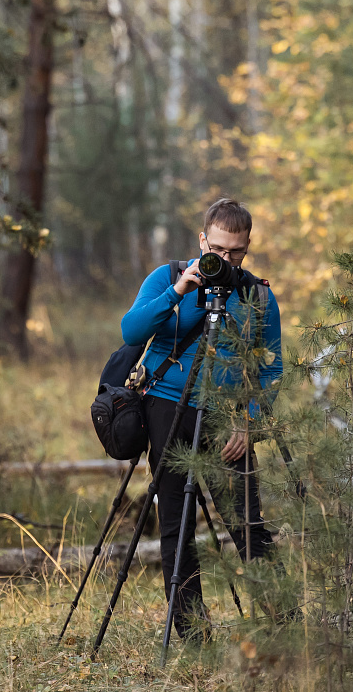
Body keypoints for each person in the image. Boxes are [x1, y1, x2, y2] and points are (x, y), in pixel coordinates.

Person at [121, 198, 283, 638]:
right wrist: (179, 293)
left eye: (236, 252)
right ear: (201, 240)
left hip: (228, 420)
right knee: (176, 523)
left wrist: (248, 422)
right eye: (218, 249)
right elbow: (131, 331)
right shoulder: (169, 277)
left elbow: (271, 369)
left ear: (247, 247)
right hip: (166, 410)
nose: (225, 260)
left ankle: (284, 624)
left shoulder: (257, 294)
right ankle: (193, 633)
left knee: (248, 525)